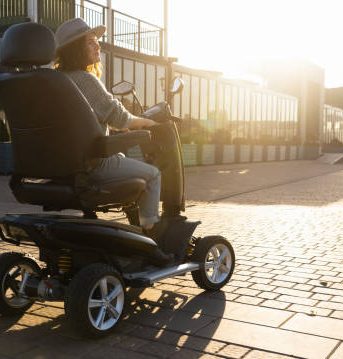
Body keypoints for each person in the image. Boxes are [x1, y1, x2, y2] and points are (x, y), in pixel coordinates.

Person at [54, 18, 160, 232]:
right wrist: (153, 123)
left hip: (60, 167)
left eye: (97, 41)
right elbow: (121, 118)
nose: (98, 45)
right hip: (93, 166)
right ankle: (152, 235)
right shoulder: (84, 79)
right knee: (154, 174)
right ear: (76, 49)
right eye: (91, 41)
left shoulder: (53, 81)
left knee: (121, 158)